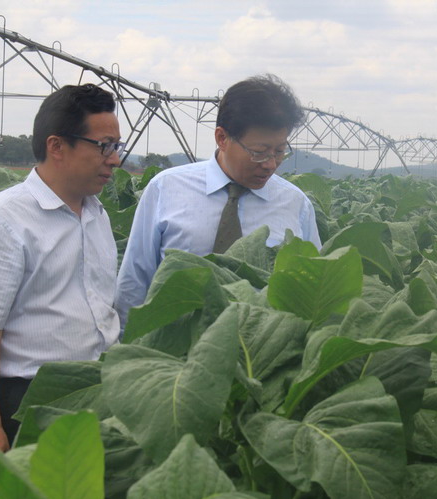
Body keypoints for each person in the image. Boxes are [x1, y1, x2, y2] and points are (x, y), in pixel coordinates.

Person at [0, 84, 122, 451]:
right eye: (104, 146)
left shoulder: (97, 214)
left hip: (100, 392)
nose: (115, 159)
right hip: (31, 401)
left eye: (117, 146)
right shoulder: (3, 219)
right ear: (56, 146)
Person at [115, 74, 321, 328]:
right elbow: (135, 282)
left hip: (261, 347)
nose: (270, 164)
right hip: (175, 346)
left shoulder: (296, 204)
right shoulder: (165, 188)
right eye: (259, 152)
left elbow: (311, 288)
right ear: (222, 138)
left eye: (279, 151)